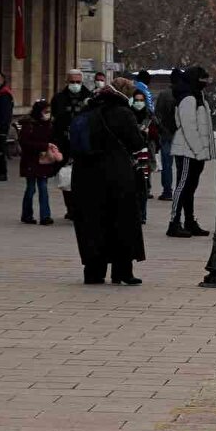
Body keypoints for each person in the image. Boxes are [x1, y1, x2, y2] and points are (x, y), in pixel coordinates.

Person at [72, 78, 147, 285]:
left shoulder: (88, 110)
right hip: (116, 174)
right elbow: (136, 143)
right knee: (121, 221)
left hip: (85, 175)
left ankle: (93, 271)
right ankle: (122, 271)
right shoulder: (123, 113)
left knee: (93, 222)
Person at [168, 66, 214, 238]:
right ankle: (174, 221)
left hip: (196, 150)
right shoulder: (188, 98)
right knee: (183, 184)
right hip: (187, 149)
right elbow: (188, 127)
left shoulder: (198, 96)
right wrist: (199, 150)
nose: (205, 84)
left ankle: (189, 220)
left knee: (190, 186)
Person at [50, 69, 90, 218]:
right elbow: (54, 121)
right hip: (64, 142)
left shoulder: (89, 97)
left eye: (78, 82)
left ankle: (81, 206)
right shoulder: (59, 98)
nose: (75, 84)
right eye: (72, 82)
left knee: (83, 177)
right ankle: (70, 208)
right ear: (67, 82)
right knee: (65, 176)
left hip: (83, 143)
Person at [17, 100, 59, 225]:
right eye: (45, 111)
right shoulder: (29, 125)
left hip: (44, 160)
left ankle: (45, 216)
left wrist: (53, 147)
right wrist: (44, 145)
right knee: (30, 189)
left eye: (49, 112)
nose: (48, 114)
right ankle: (27, 214)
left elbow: (54, 138)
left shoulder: (50, 125)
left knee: (43, 187)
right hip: (30, 160)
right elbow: (24, 143)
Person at [130, 89, 157, 225]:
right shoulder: (128, 114)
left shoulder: (149, 115)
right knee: (132, 186)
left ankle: (142, 214)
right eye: (137, 100)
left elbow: (157, 132)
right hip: (132, 155)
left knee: (144, 186)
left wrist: (148, 132)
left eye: (141, 100)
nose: (139, 103)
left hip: (146, 155)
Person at [154, 69, 181, 200]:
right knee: (181, 166)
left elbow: (157, 115)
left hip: (166, 134)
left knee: (167, 165)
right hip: (181, 136)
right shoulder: (184, 95)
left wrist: (162, 129)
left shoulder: (164, 94)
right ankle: (180, 191)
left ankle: (167, 191)